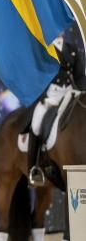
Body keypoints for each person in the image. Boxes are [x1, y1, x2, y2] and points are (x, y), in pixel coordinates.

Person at [28, 34, 86, 186]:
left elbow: (79, 76)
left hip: (70, 92)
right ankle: (34, 169)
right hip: (50, 93)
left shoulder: (71, 49)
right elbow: (36, 76)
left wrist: (83, 91)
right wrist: (42, 97)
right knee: (36, 121)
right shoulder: (44, 49)